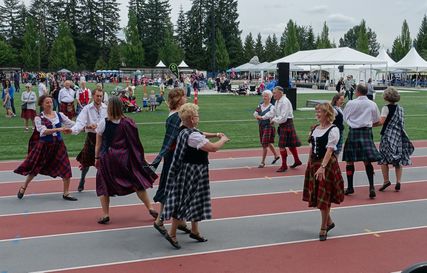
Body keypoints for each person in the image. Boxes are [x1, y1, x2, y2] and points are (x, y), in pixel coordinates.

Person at [162, 103, 229, 249]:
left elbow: (201, 133)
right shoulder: (192, 136)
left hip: (193, 170)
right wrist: (223, 139)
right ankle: (172, 233)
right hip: (192, 171)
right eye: (197, 115)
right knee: (185, 201)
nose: (199, 117)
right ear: (192, 119)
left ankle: (194, 230)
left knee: (196, 199)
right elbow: (213, 148)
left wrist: (216, 134)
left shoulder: (185, 130)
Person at [94, 96, 158, 224]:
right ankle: (150, 207)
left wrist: (96, 158)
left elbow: (98, 144)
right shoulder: (129, 122)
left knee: (103, 184)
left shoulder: (103, 123)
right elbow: (135, 143)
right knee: (137, 182)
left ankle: (106, 214)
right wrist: (141, 158)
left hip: (108, 158)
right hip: (125, 158)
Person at [14, 95, 77, 201]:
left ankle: (66, 193)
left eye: (51, 102)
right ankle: (24, 187)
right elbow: (43, 131)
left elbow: (72, 124)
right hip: (45, 147)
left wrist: (86, 127)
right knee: (35, 169)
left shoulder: (59, 115)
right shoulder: (39, 118)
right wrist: (59, 129)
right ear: (42, 104)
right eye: (47, 102)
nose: (50, 104)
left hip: (58, 146)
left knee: (66, 167)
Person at [303, 103, 344, 241]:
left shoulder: (333, 130)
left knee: (324, 197)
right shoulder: (315, 128)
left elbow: (330, 150)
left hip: (326, 165)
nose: (317, 114)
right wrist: (309, 164)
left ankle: (323, 227)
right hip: (314, 164)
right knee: (318, 195)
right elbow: (311, 147)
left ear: (327, 113)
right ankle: (330, 222)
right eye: (317, 111)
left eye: (320, 111)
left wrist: (323, 167)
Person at [151, 88, 189, 235]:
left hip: (175, 156)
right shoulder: (177, 117)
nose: (186, 98)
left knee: (175, 188)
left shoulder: (174, 115)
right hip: (175, 157)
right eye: (184, 96)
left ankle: (180, 221)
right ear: (179, 100)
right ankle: (160, 220)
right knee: (172, 188)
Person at [342, 83, 382, 199]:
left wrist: (354, 122)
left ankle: (350, 187)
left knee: (349, 161)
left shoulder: (351, 103)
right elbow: (377, 120)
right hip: (366, 132)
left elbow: (345, 117)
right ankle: (371, 186)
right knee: (367, 161)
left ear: (357, 92)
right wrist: (368, 123)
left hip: (354, 132)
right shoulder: (372, 104)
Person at [71, 88, 107, 192]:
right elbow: (80, 122)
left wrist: (100, 125)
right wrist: (74, 129)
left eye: (101, 96)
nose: (99, 98)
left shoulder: (106, 108)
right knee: (85, 163)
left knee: (103, 163)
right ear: (93, 96)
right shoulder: (87, 108)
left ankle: (103, 185)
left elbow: (109, 120)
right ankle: (82, 180)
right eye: (97, 96)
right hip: (91, 137)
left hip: (102, 138)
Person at [377, 87, 414, 192]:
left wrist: (370, 124)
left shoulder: (385, 108)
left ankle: (386, 181)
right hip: (398, 136)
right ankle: (398, 182)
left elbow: (382, 121)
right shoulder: (400, 109)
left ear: (386, 97)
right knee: (398, 159)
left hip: (387, 137)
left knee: (383, 159)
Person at [259, 86, 302, 172]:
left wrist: (273, 120)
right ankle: (297, 161)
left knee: (282, 146)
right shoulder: (278, 101)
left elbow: (283, 118)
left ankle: (284, 165)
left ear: (280, 93)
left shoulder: (284, 102)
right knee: (290, 145)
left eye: (274, 93)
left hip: (287, 124)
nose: (273, 95)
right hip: (284, 125)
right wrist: (263, 117)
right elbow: (273, 112)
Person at [253, 90, 280, 168]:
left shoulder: (272, 107)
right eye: (263, 96)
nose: (264, 97)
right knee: (267, 142)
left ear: (270, 97)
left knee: (264, 144)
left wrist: (260, 117)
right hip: (261, 126)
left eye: (265, 96)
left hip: (268, 126)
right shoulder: (260, 105)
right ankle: (276, 155)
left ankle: (262, 162)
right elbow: (255, 113)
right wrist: (258, 117)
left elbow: (269, 115)